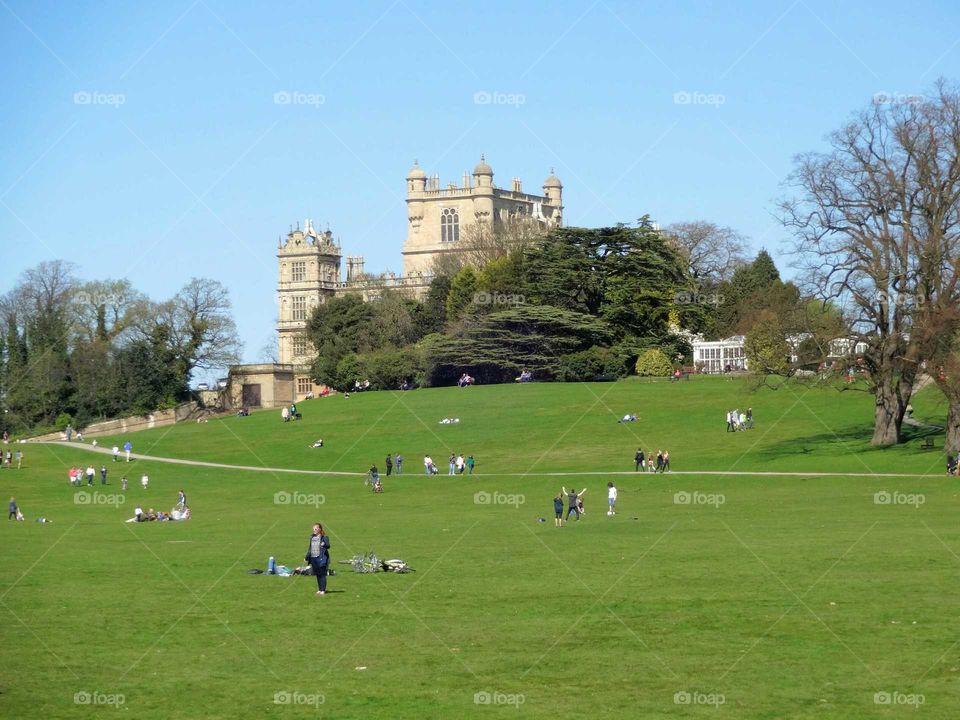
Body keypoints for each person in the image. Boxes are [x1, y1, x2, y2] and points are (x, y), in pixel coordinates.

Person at [304, 523, 331, 595]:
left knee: (322, 574)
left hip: (321, 558)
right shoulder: (312, 537)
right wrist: (307, 557)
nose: (314, 530)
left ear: (319, 529)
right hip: (313, 558)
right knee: (318, 574)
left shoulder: (324, 537)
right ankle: (319, 589)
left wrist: (324, 544)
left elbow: (328, 546)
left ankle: (323, 590)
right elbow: (310, 548)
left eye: (316, 529)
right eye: (313, 529)